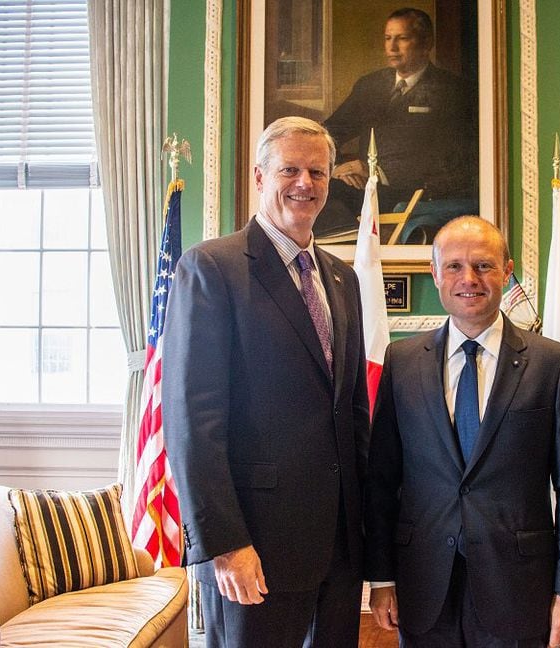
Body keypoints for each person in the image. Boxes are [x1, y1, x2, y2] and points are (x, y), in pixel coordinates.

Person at [163, 116, 370, 648]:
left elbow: (352, 412)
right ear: (260, 177)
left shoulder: (342, 278)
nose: (305, 183)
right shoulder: (212, 267)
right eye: (291, 170)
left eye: (318, 172)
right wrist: (224, 543)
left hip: (339, 550)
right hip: (254, 546)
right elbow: (192, 420)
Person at [364, 216, 560, 647]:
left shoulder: (551, 363)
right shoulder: (403, 362)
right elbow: (381, 481)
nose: (468, 279)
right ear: (435, 273)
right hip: (423, 581)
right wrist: (381, 577)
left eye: (483, 266)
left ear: (507, 272)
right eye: (453, 266)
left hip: (519, 585)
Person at [318, 7, 478, 238]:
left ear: (426, 44)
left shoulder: (453, 92)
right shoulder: (370, 86)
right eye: (387, 38)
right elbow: (329, 133)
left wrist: (380, 172)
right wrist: (338, 168)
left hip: (414, 194)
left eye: (402, 38)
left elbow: (458, 164)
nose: (391, 47)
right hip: (366, 189)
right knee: (319, 190)